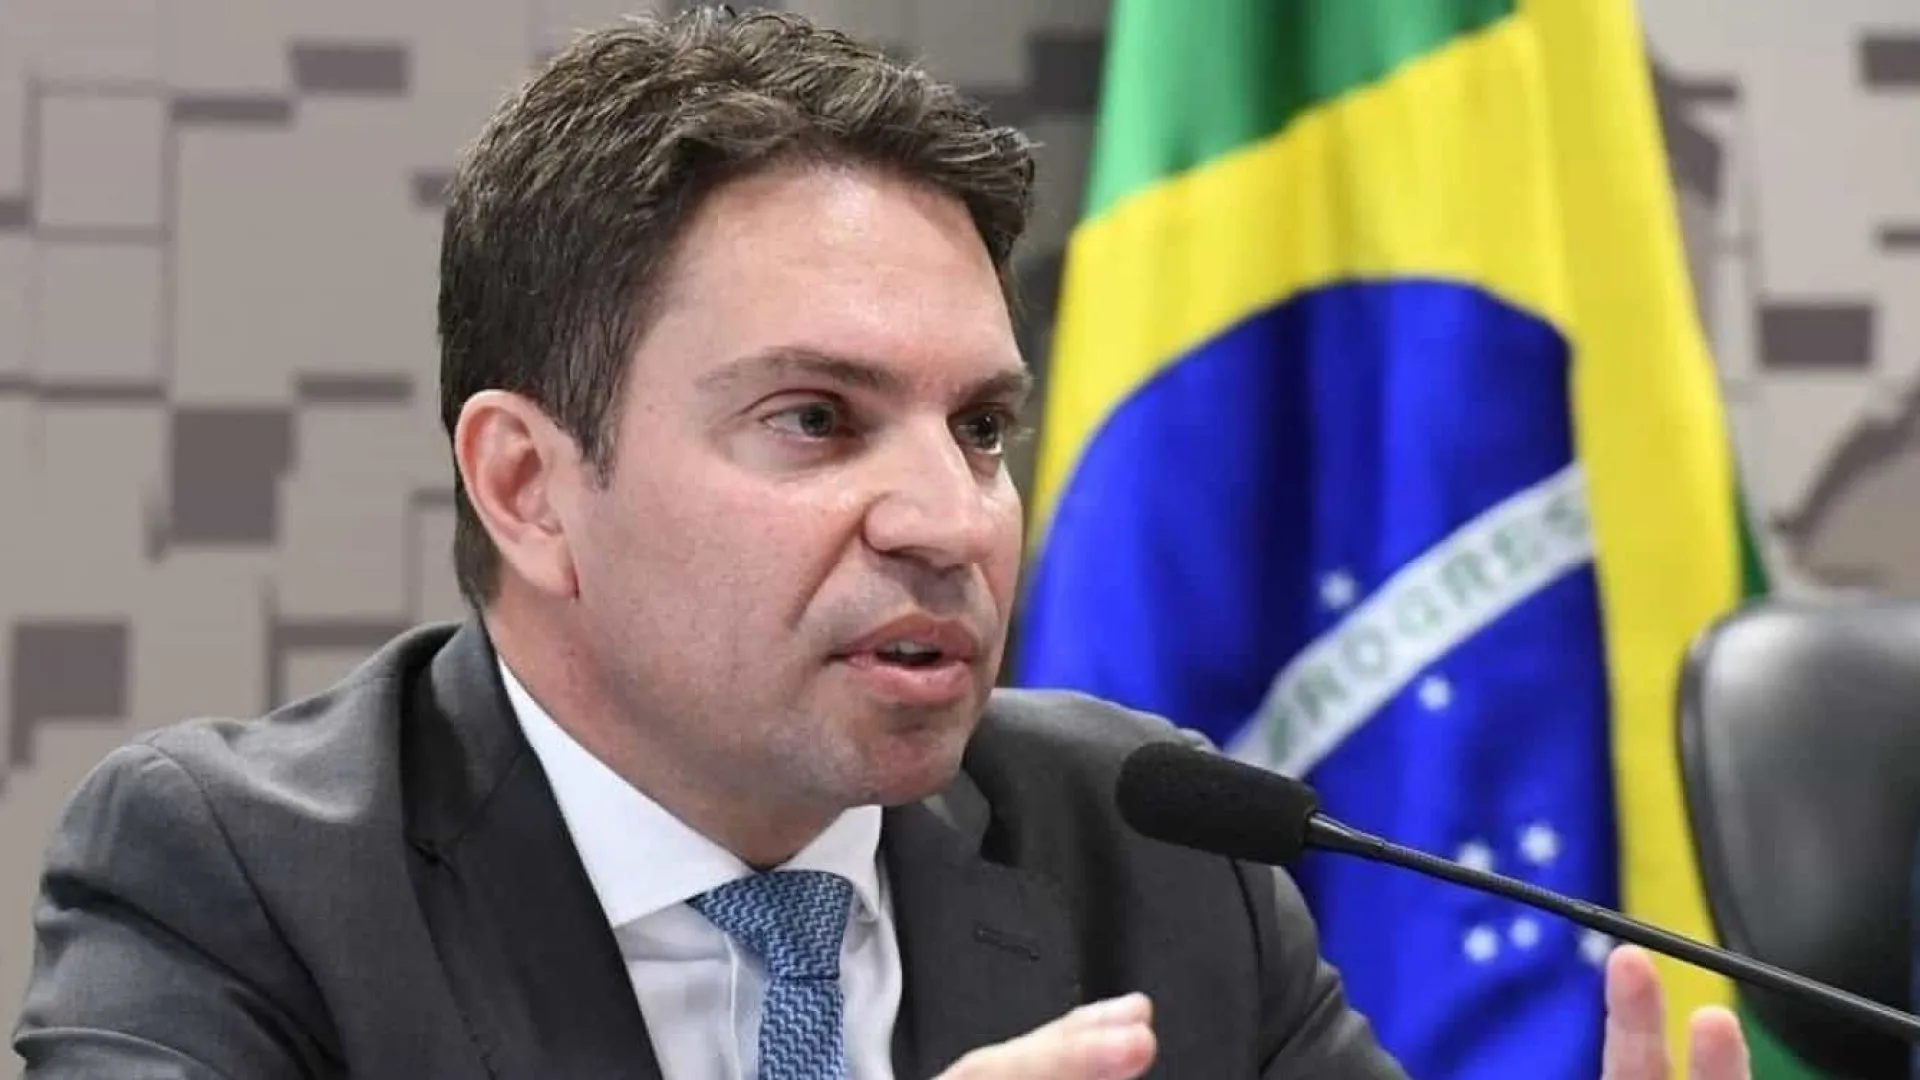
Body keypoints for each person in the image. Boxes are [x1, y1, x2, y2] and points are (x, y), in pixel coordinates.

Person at [10, 7, 1752, 1078]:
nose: (949, 521)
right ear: (529, 488)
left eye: (980, 428)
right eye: (816, 420)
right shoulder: (239, 880)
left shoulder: (1157, 851)